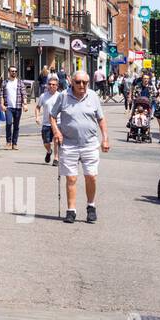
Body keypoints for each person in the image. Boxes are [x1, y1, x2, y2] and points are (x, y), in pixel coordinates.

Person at [47, 71, 109, 223]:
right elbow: (52, 116)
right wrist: (56, 131)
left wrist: (105, 138)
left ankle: (91, 206)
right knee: (71, 178)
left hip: (90, 144)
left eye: (85, 83)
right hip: (69, 144)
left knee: (91, 177)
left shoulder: (93, 96)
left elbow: (101, 119)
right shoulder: (63, 96)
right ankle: (71, 210)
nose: (82, 85)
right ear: (72, 82)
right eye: (78, 82)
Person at [36, 73, 61, 165]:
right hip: (46, 123)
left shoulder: (61, 96)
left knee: (56, 140)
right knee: (46, 142)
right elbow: (38, 107)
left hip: (58, 122)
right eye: (49, 84)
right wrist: (37, 117)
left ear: (57, 86)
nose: (51, 86)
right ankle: (49, 151)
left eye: (53, 84)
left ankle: (56, 158)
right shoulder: (43, 96)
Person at [0, 71, 27, 150]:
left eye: (15, 71)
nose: (14, 72)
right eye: (12, 71)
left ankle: (14, 143)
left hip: (18, 106)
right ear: (9, 72)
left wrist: (25, 104)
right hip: (8, 107)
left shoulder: (20, 82)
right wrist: (2, 104)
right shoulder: (5, 82)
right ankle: (8, 142)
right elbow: (1, 95)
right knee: (8, 123)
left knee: (16, 125)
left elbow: (24, 94)